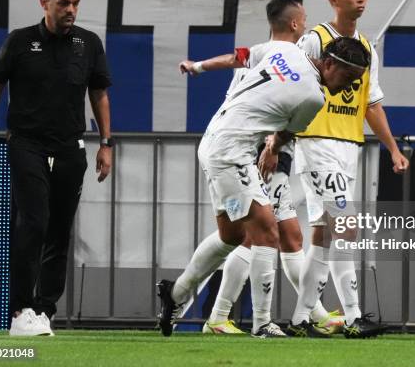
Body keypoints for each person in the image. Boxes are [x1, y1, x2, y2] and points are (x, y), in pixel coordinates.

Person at [158, 29, 371, 338]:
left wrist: (199, 66)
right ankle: (261, 324)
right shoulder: (314, 97)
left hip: (215, 140)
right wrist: (272, 149)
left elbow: (239, 58)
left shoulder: (285, 50)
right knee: (268, 230)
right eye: (347, 76)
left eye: (356, 80)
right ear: (328, 63)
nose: (349, 85)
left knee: (231, 235)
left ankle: (175, 294)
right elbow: (285, 133)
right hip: (232, 153)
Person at [0, 0, 112, 336]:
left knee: (59, 232)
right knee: (32, 223)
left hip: (70, 147)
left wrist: (107, 143)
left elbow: (99, 94)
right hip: (26, 144)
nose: (71, 10)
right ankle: (20, 312)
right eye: (64, 3)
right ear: (44, 2)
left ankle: (44, 310)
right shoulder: (19, 42)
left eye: (76, 3)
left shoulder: (89, 43)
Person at [283, 0, 408, 339]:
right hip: (317, 141)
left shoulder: (367, 47)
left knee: (323, 234)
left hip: (347, 147)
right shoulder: (314, 39)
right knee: (347, 226)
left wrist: (393, 148)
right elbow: (294, 89)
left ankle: (300, 319)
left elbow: (371, 104)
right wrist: (280, 139)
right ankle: (353, 318)